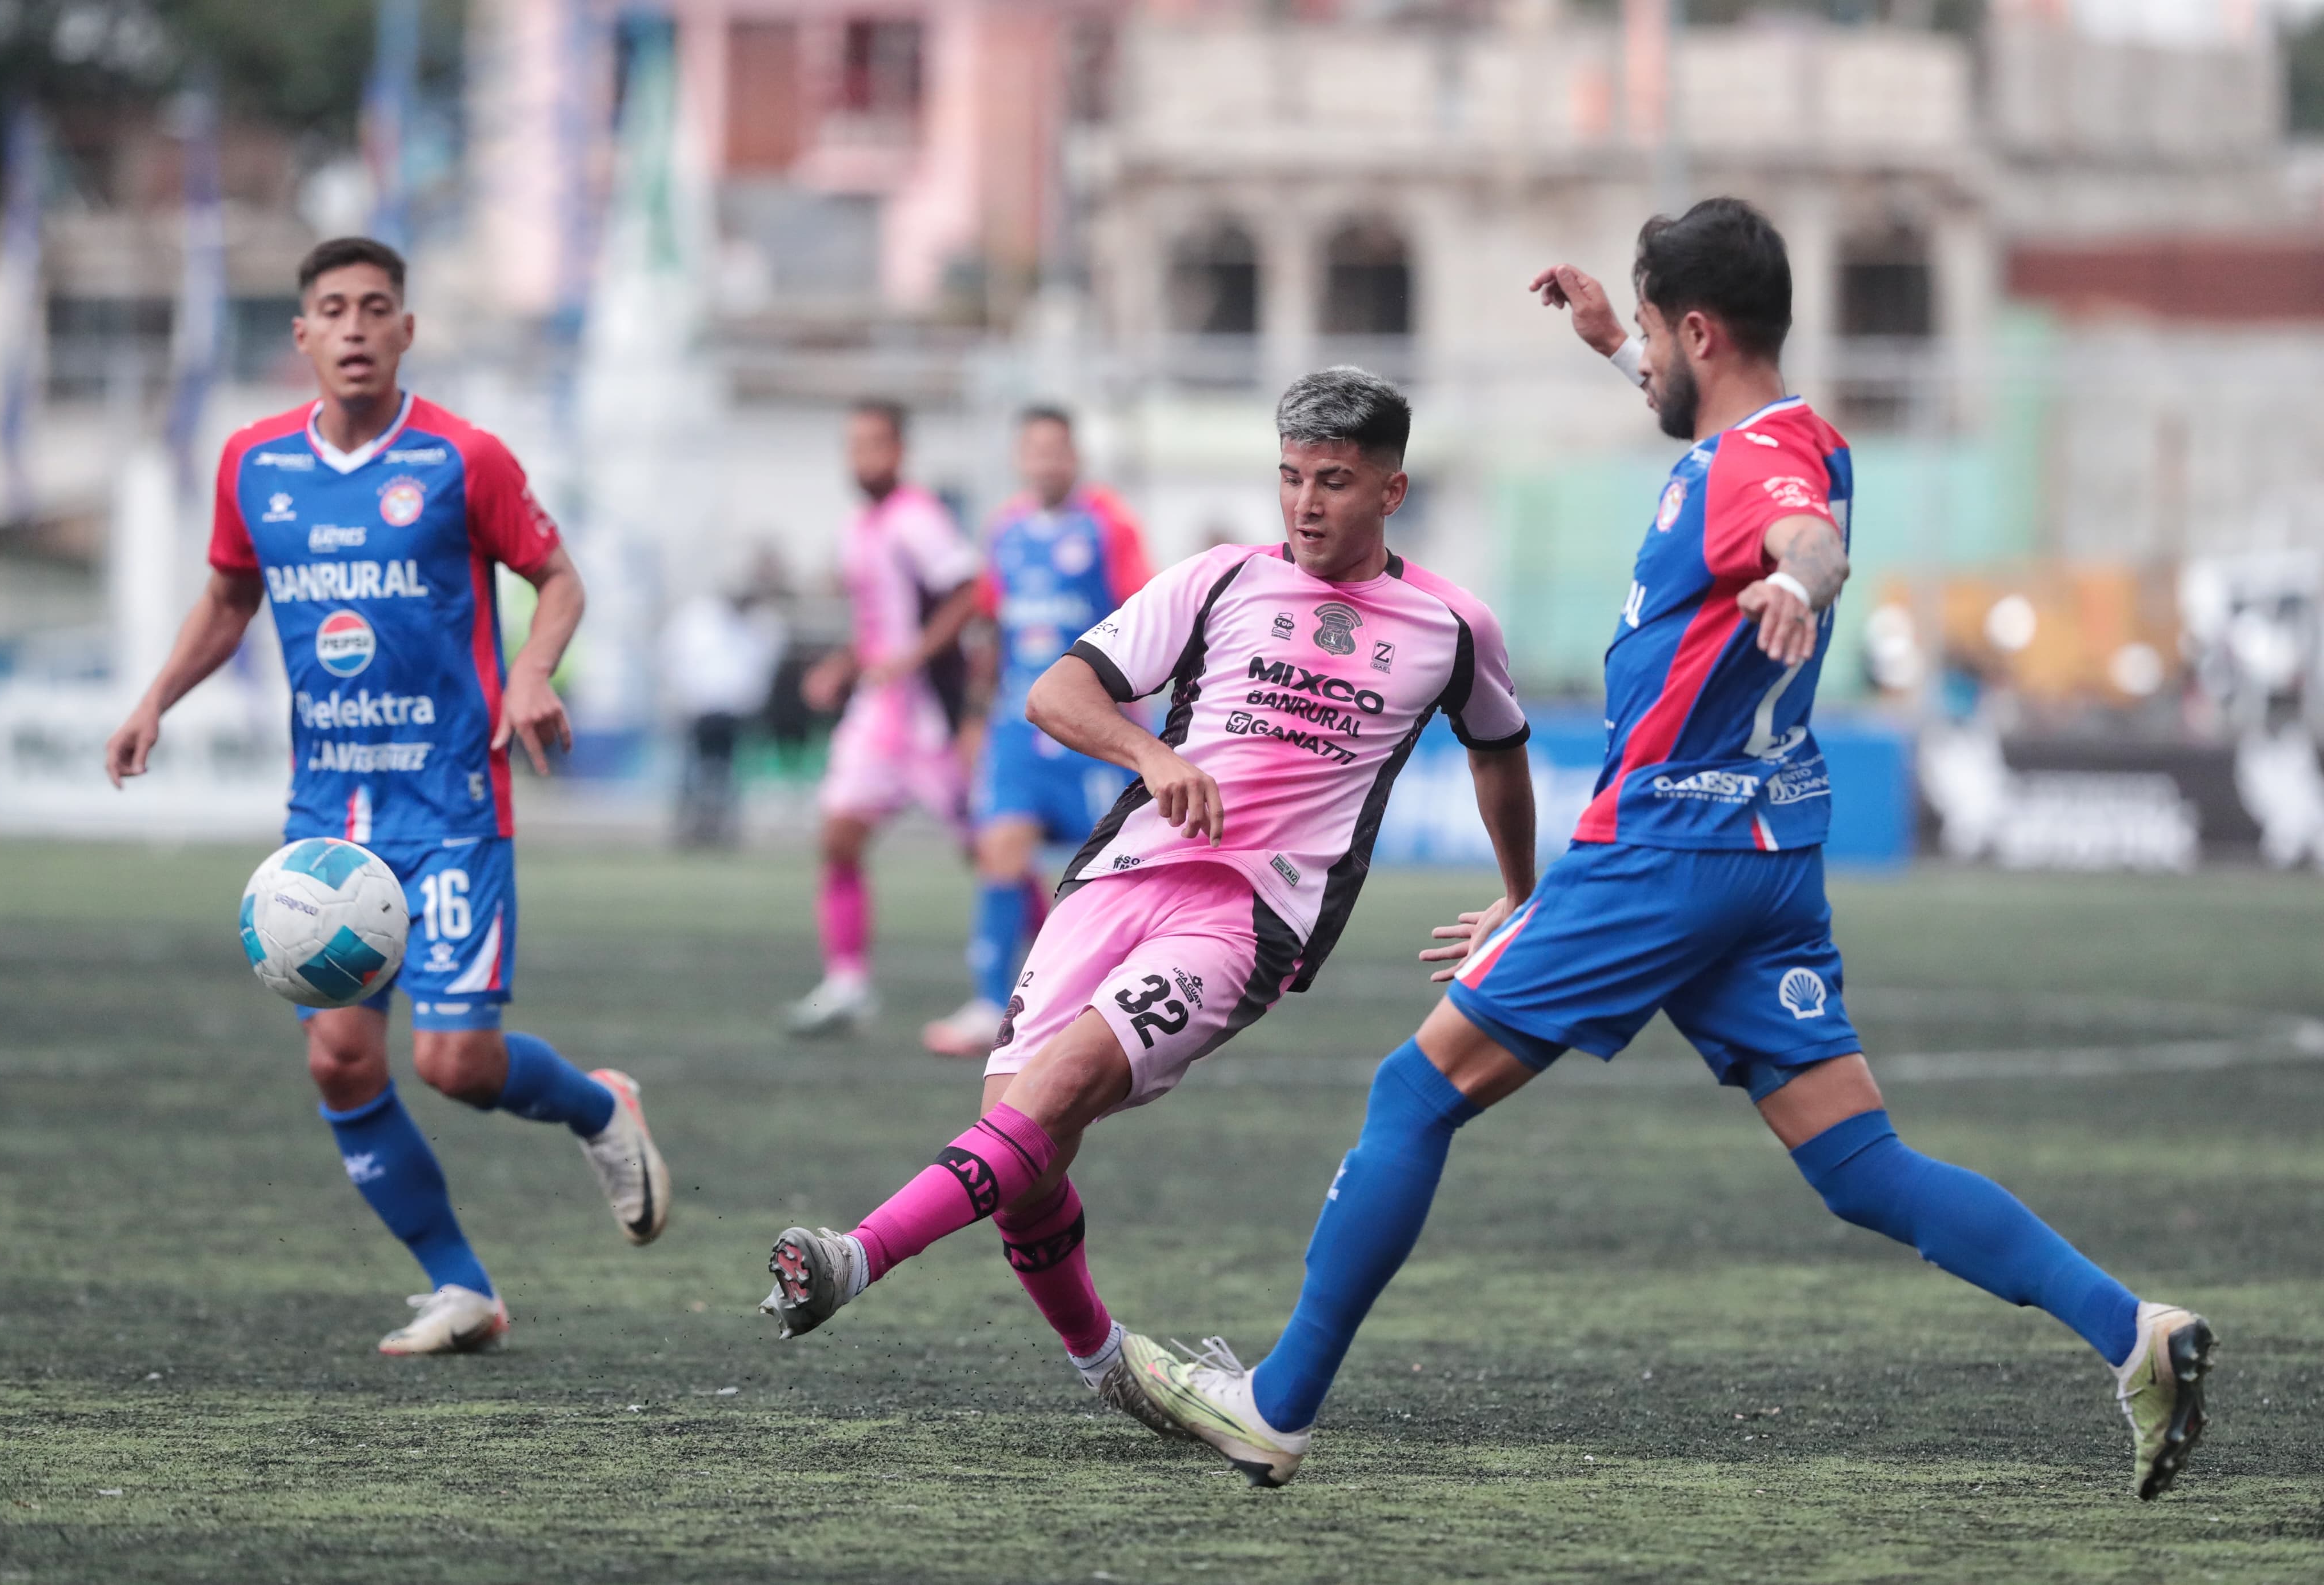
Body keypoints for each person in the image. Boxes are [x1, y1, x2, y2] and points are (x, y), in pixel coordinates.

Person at [1118, 198, 2215, 1501]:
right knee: (1860, 1164)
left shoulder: (1759, 475)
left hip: (1665, 849)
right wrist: (1605, 342)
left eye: (1647, 332)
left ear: (1698, 328)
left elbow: (1801, 534)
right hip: (1765, 853)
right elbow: (1753, 452)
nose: (1638, 355)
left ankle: (1275, 1408)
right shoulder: (1796, 433)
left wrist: (1801, 585)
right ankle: (2130, 1331)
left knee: (1412, 1098)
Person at [756, 367, 1535, 1426]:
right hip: (1121, 872)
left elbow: (1500, 754)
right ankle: (1106, 1360)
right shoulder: (1218, 580)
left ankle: (856, 1255)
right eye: (1293, 477)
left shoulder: (1450, 625)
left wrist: (1518, 893)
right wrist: (1149, 752)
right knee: (1019, 1152)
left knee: (1056, 1090)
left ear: (1391, 492)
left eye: (1336, 482)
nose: (1307, 504)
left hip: (1252, 913)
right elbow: (1055, 690)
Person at [103, 237, 671, 1356]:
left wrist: (531, 670)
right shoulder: (253, 464)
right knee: (339, 1058)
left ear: (407, 330)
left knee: (454, 1063)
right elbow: (229, 594)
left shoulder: (464, 459)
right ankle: (461, 1286)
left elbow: (557, 576)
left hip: (452, 802)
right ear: (303, 336)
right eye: (333, 308)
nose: (356, 326)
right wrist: (156, 696)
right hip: (327, 824)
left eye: (376, 307)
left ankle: (601, 1108)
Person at [921, 406, 1154, 1057]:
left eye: (1058, 449)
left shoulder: (1109, 525)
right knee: (999, 849)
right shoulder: (1005, 530)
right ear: (1020, 459)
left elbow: (1145, 616)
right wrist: (973, 718)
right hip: (1018, 729)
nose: (1047, 461)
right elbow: (992, 629)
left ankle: (1102, 1000)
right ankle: (992, 1005)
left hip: (1093, 731)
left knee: (1109, 874)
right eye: (1035, 450)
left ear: (1074, 456)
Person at [785, 401, 983, 1036]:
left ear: (899, 451)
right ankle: (847, 983)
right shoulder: (857, 526)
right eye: (853, 444)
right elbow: (877, 624)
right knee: (838, 836)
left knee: (991, 851)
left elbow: (966, 590)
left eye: (874, 443)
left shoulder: (916, 519)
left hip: (927, 716)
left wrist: (914, 658)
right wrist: (843, 664)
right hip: (878, 715)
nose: (861, 456)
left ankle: (1056, 970)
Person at [662, 548, 790, 847]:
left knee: (729, 773)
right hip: (698, 707)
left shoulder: (763, 624)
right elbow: (673, 656)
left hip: (735, 712)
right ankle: (690, 827)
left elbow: (763, 670)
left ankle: (724, 828)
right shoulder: (698, 617)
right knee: (693, 772)